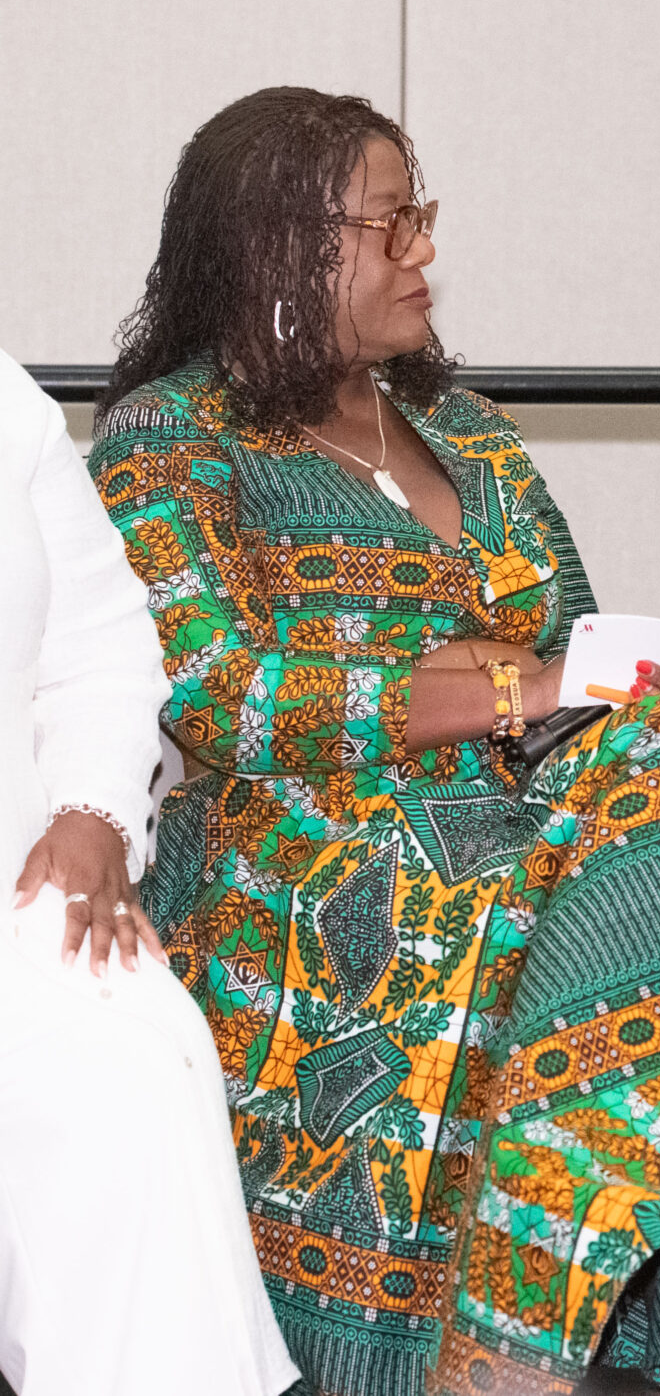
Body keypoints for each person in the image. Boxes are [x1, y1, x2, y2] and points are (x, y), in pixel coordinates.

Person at [88, 87, 660, 1396]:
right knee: (634, 857)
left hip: (529, 801)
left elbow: (570, 642)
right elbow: (221, 693)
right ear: (282, 247)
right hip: (308, 839)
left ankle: (536, 1300)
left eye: (422, 214)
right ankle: (542, 1315)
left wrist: (568, 684)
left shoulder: (469, 433)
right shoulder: (172, 438)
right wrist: (489, 691)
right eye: (392, 222)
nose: (424, 249)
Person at [0, 349, 298, 1396]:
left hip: (18, 887)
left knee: (134, 1052)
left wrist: (93, 809)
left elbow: (98, 644)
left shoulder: (6, 405)